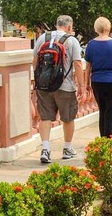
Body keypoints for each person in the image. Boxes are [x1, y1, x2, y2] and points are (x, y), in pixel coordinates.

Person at [34, 14, 85, 164]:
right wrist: (81, 86)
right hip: (65, 86)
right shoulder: (72, 40)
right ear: (69, 27)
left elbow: (35, 60)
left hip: (44, 86)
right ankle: (67, 149)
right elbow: (77, 64)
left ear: (57, 24)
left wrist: (38, 81)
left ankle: (45, 149)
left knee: (45, 117)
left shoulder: (43, 37)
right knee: (68, 118)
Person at [84, 16, 112, 137]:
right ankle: (108, 138)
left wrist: (86, 84)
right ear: (109, 28)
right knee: (111, 111)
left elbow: (87, 67)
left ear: (96, 28)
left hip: (97, 81)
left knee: (103, 111)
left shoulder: (91, 45)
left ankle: (103, 138)